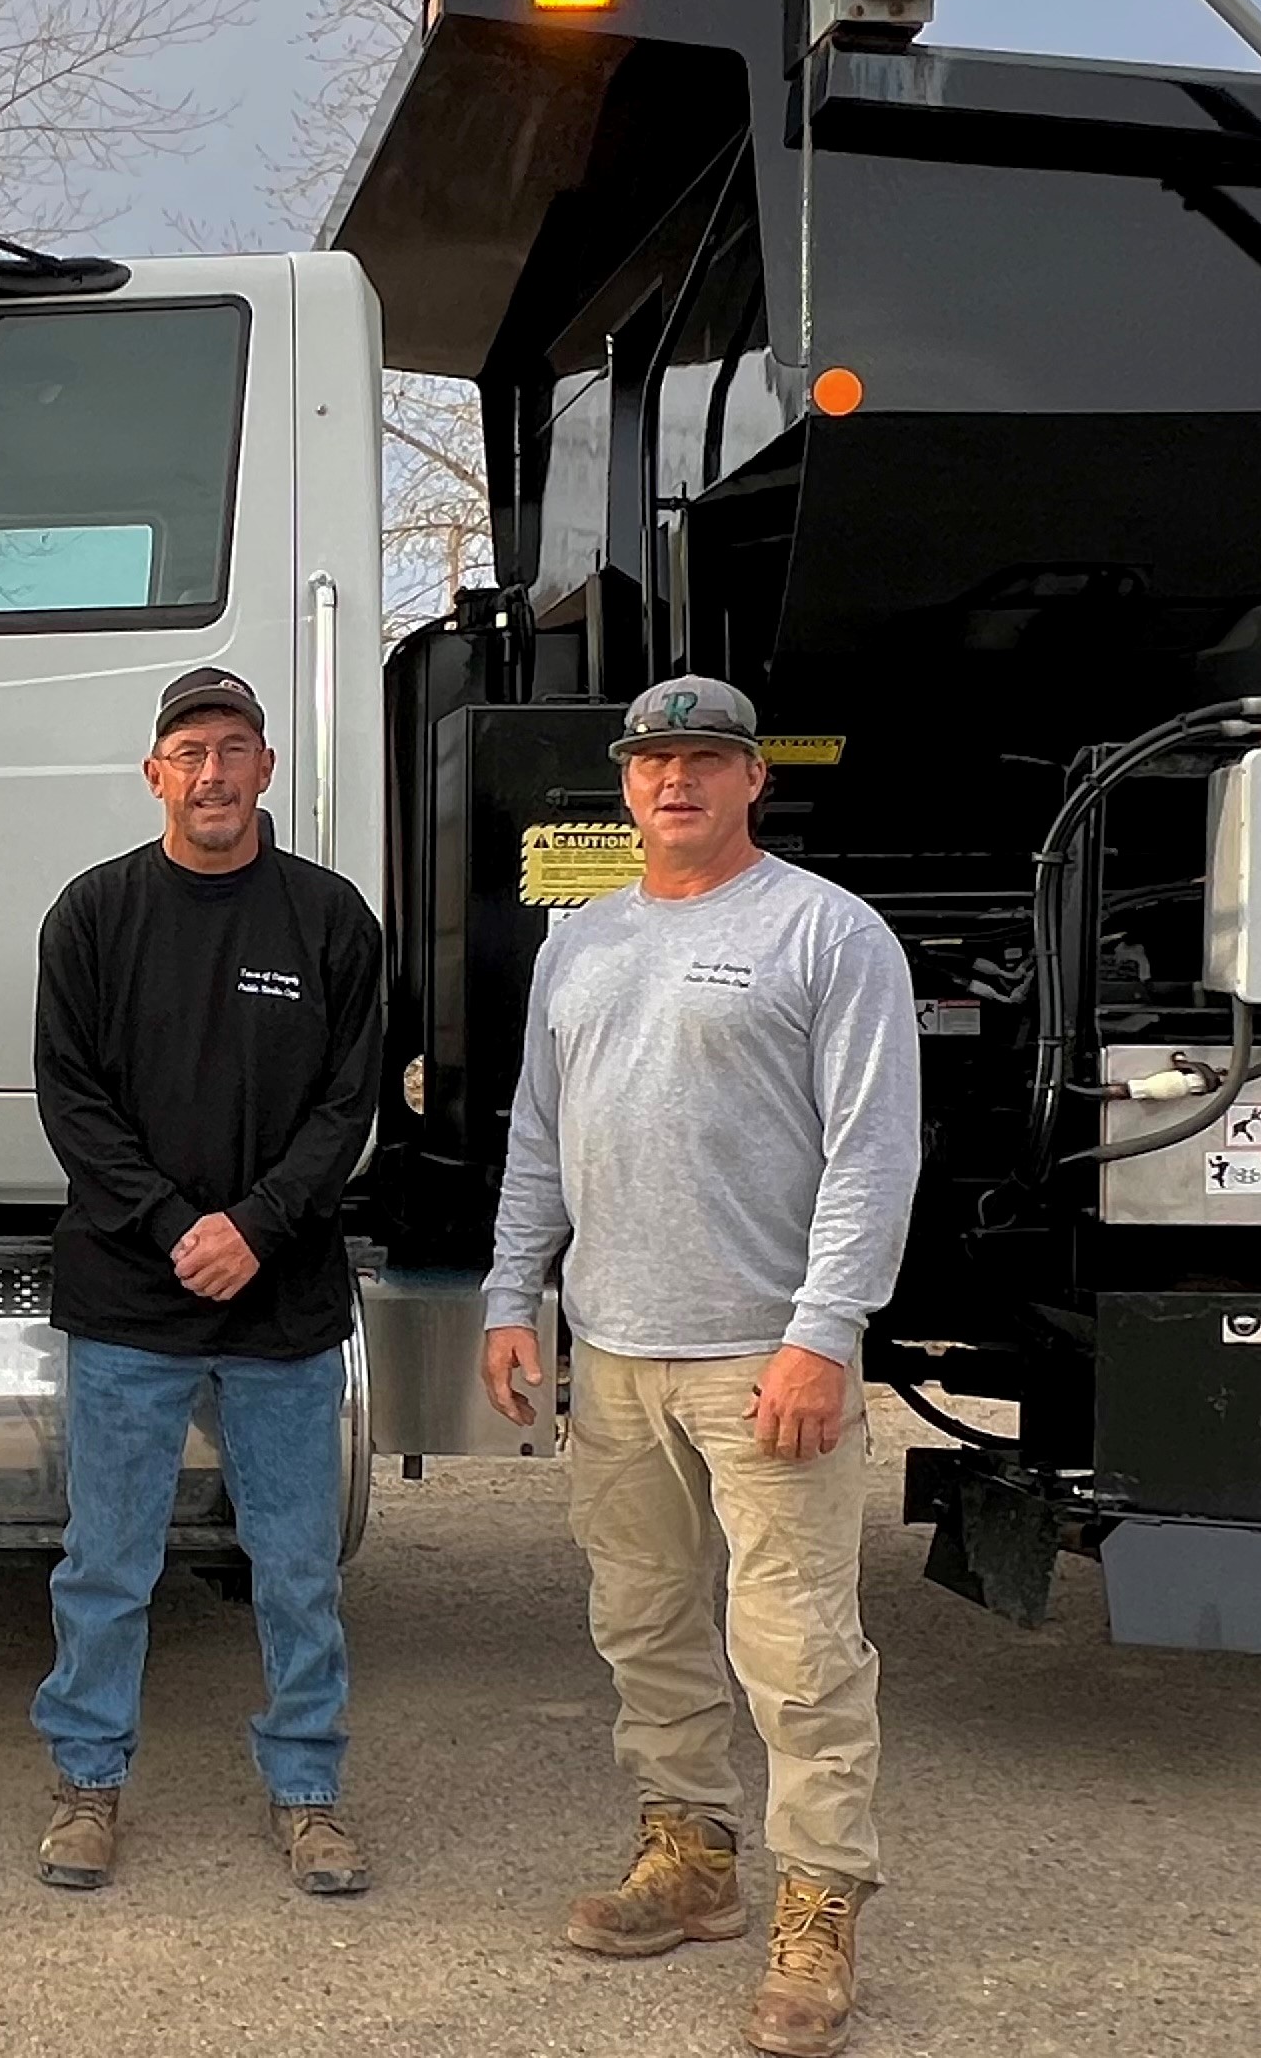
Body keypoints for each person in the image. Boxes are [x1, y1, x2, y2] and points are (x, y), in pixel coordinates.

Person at [479, 674, 921, 2058]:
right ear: (624, 784)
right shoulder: (582, 939)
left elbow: (872, 1150)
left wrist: (821, 1332)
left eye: (705, 759)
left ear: (751, 781)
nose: (676, 779)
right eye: (653, 758)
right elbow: (539, 1135)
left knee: (793, 1652)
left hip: (758, 1359)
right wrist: (511, 1294)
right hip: (614, 1353)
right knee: (647, 1624)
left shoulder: (826, 933)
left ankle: (817, 1907)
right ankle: (690, 1860)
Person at [27, 666, 385, 1899]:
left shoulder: (330, 919)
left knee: (294, 1564)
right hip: (131, 1296)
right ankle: (85, 1781)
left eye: (234, 747)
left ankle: (306, 1790)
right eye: (189, 750)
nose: (212, 772)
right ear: (154, 774)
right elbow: (71, 1102)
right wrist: (180, 1225)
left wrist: (258, 1226)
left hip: (280, 1301)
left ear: (266, 770)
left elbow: (348, 1109)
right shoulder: (91, 914)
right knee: (106, 1560)